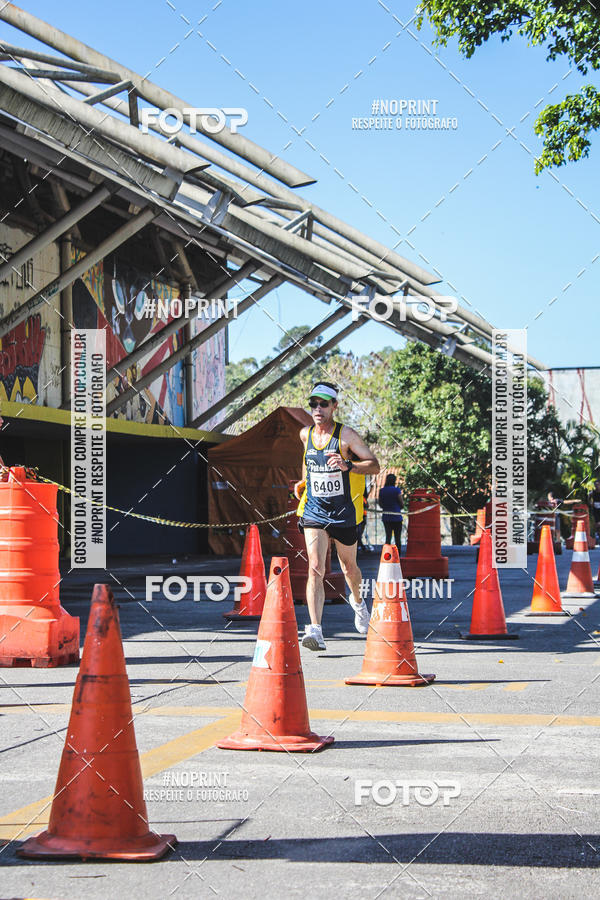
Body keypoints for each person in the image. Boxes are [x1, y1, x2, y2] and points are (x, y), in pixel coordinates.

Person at [294, 382, 380, 651]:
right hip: (314, 511)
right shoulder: (305, 434)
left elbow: (375, 465)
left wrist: (348, 465)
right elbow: (309, 463)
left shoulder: (346, 436)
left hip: (343, 512)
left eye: (323, 404)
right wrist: (303, 481)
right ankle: (316, 630)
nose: (317, 409)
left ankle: (358, 603)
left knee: (348, 568)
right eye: (313, 404)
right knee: (316, 567)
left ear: (334, 406)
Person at [378, 474, 403, 550]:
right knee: (397, 538)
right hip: (397, 517)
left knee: (388, 537)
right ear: (394, 481)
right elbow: (401, 503)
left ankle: (387, 556)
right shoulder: (397, 490)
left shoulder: (382, 491)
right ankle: (398, 556)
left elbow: (380, 504)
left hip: (386, 517)